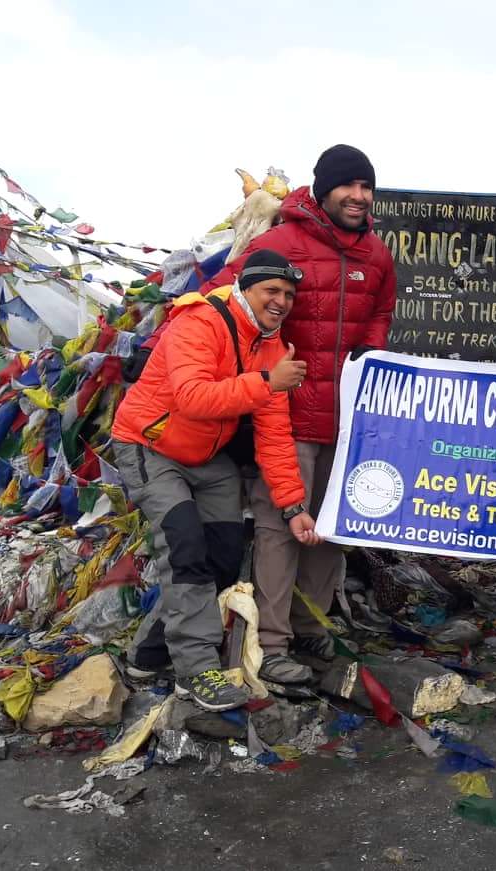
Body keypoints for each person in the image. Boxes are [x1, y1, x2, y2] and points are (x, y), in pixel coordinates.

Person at [203, 145, 396, 680]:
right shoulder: (279, 242)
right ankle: (271, 643)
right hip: (283, 414)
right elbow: (223, 302)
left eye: (366, 187)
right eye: (348, 186)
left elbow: (381, 311)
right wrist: (256, 370)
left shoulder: (377, 255)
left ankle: (310, 628)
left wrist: (370, 354)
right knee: (279, 526)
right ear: (323, 188)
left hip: (349, 419)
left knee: (332, 528)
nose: (358, 197)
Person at [110, 250, 322, 711]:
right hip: (152, 444)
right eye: (272, 290)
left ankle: (150, 653)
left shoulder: (270, 346)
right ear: (247, 288)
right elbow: (190, 397)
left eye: (289, 294)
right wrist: (268, 381)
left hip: (206, 456)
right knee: (185, 548)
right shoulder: (200, 321)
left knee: (224, 554)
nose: (282, 301)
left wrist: (293, 507)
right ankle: (195, 671)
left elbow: (274, 436)